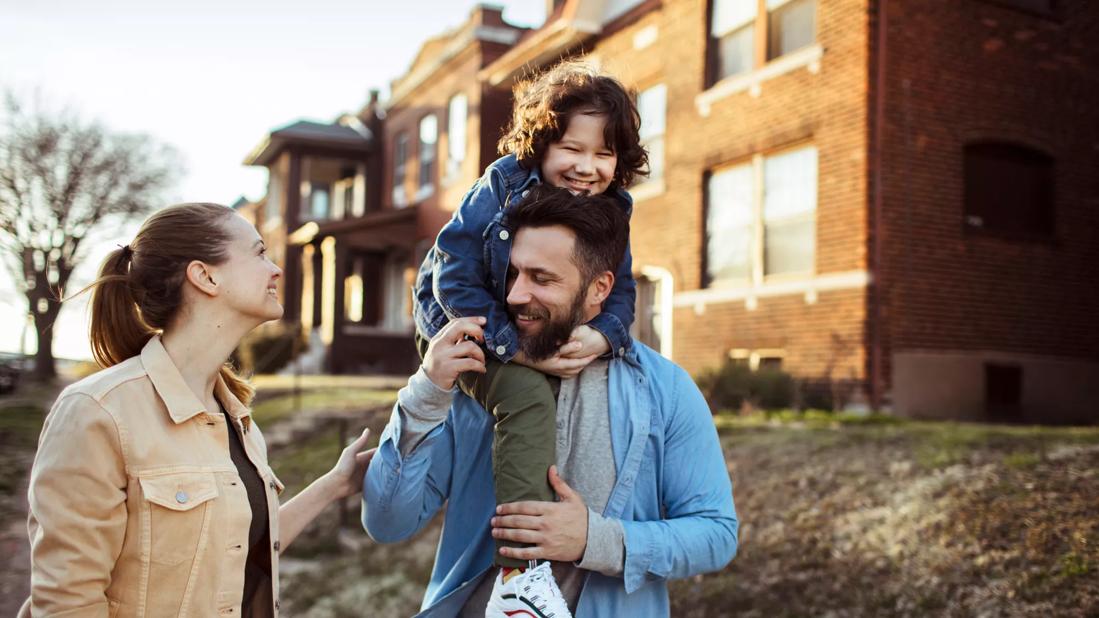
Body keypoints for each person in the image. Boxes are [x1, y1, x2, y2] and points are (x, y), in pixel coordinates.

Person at [366, 186, 739, 617]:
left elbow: (716, 535)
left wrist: (593, 539)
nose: (514, 295)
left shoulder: (665, 390)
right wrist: (426, 392)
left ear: (599, 288)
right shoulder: (475, 378)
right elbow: (387, 522)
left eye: (541, 279)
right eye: (513, 274)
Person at [20, 203, 375, 617]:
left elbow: (242, 549)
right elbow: (67, 604)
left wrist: (334, 484)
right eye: (260, 253)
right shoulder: (98, 412)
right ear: (205, 276)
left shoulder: (236, 418)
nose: (276, 269)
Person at [411, 60, 647, 612]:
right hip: (461, 325)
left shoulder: (613, 208)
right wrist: (512, 348)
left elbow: (623, 290)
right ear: (539, 146)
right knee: (526, 397)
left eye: (604, 154)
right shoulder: (501, 184)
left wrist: (604, 337)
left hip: (533, 330)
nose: (587, 167)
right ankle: (521, 574)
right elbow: (453, 273)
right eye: (572, 148)